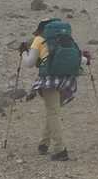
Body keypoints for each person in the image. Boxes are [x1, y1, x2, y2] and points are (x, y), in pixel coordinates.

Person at [19, 18, 90, 161]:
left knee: (52, 112)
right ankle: (44, 144)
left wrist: (23, 53)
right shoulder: (65, 38)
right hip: (67, 80)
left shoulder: (39, 40)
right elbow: (80, 59)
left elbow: (29, 63)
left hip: (49, 80)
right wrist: (87, 59)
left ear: (40, 30)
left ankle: (60, 149)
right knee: (54, 111)